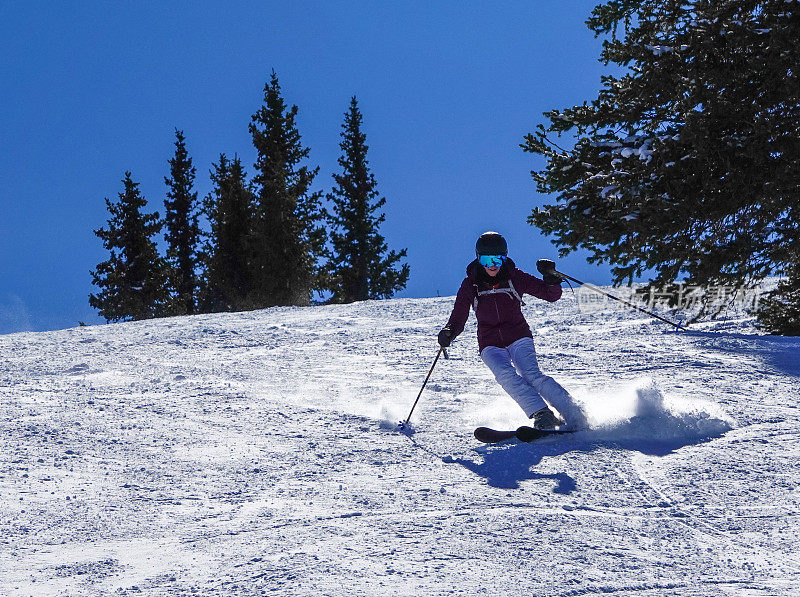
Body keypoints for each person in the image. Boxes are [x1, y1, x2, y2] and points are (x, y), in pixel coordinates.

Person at [438, 231, 588, 430]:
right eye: (486, 259)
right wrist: (449, 331)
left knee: (531, 375)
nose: (492, 264)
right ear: (478, 258)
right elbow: (459, 316)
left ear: (505, 257)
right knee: (504, 375)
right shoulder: (470, 285)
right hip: (489, 342)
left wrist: (550, 278)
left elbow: (549, 295)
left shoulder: (514, 277)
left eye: (498, 259)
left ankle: (574, 413)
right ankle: (542, 414)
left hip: (518, 335)